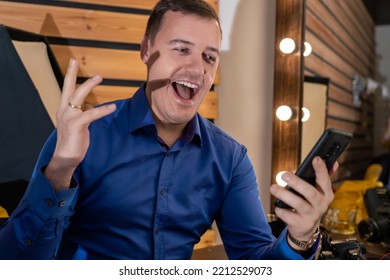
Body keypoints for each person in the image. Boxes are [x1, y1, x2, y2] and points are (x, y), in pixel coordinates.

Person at [0, 0, 336, 260]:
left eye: (209, 57)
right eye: (181, 49)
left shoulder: (230, 159)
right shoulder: (82, 137)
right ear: (146, 50)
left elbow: (257, 265)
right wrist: (61, 169)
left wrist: (300, 238)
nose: (197, 68)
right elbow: (19, 264)